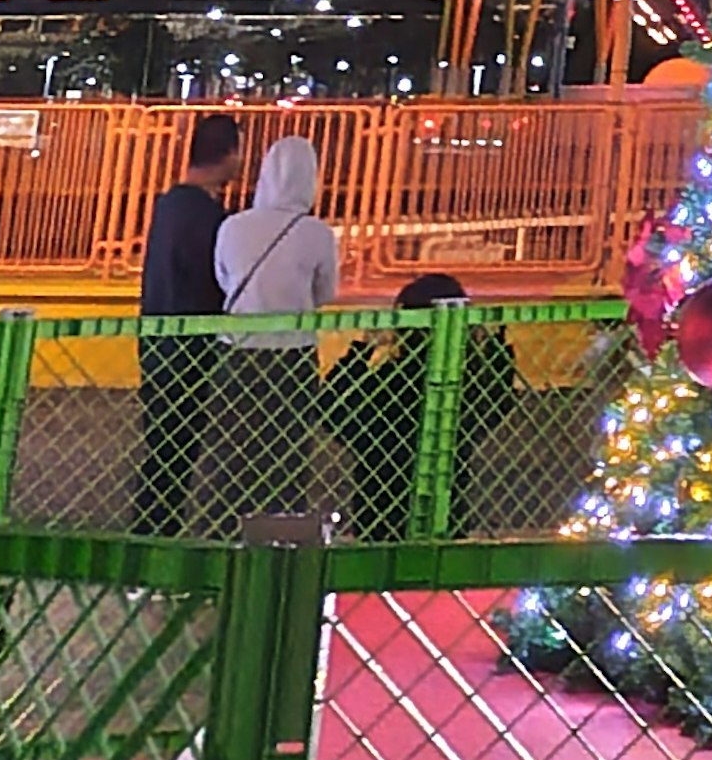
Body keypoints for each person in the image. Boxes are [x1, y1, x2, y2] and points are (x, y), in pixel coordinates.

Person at [323, 272, 525, 541]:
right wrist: (497, 347)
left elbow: (332, 410)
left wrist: (361, 350)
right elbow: (497, 402)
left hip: (379, 513)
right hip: (448, 514)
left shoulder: (387, 384)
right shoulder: (467, 387)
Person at [206, 132, 338, 517]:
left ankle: (227, 536)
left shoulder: (233, 226)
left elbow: (224, 278)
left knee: (231, 456)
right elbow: (325, 292)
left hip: (236, 352)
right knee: (287, 456)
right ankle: (281, 536)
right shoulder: (316, 233)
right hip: (292, 357)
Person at [133, 111, 244, 529]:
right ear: (230, 154)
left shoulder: (170, 205)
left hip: (159, 342)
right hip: (188, 350)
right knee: (174, 453)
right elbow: (213, 278)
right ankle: (156, 536)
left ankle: (155, 532)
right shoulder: (205, 216)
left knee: (165, 449)